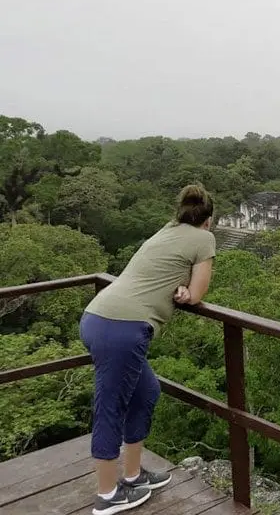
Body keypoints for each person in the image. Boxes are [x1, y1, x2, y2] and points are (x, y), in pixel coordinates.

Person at [80, 184, 216, 515]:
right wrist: (186, 292)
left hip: (99, 317)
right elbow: (197, 293)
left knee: (146, 393)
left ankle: (132, 474)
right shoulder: (204, 238)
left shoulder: (166, 231)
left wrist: (179, 287)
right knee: (110, 407)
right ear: (208, 220)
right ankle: (108, 495)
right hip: (123, 328)